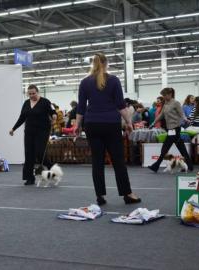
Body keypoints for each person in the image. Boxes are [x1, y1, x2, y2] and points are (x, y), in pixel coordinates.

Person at [75, 53, 141, 205]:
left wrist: (77, 125)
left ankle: (100, 196)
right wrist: (129, 122)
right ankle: (127, 194)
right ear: (106, 63)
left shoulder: (85, 82)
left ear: (93, 64)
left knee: (97, 161)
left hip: (91, 124)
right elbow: (121, 105)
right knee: (118, 160)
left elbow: (81, 107)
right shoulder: (113, 80)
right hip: (111, 124)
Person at [9, 84, 57, 185]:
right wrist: (13, 128)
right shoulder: (26, 103)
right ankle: (29, 178)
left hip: (42, 131)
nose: (31, 95)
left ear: (37, 92)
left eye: (33, 93)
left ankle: (53, 170)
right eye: (29, 94)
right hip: (29, 132)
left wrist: (54, 117)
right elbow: (22, 117)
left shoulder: (45, 101)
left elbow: (53, 111)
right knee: (29, 154)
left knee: (40, 153)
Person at [148, 87, 193, 172]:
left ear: (170, 94)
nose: (163, 97)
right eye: (163, 95)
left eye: (164, 95)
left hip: (175, 129)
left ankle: (156, 166)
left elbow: (182, 113)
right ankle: (190, 166)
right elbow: (161, 115)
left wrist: (186, 119)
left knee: (165, 148)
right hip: (170, 129)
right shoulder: (165, 103)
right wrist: (153, 123)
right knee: (182, 149)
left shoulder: (176, 103)